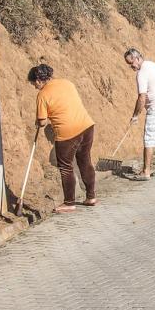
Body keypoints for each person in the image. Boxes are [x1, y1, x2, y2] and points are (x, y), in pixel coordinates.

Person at [28, 64, 96, 214]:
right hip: (87, 126)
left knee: (66, 168)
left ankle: (69, 203)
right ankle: (91, 197)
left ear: (39, 80)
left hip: (67, 133)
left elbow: (42, 121)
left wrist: (38, 122)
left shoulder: (43, 95)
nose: (34, 87)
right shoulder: (67, 83)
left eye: (34, 83)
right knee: (85, 161)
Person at [124, 48, 155, 181]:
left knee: (149, 140)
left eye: (131, 63)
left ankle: (145, 171)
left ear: (137, 58)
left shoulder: (141, 73)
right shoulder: (153, 65)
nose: (131, 67)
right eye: (129, 64)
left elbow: (141, 97)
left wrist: (135, 116)